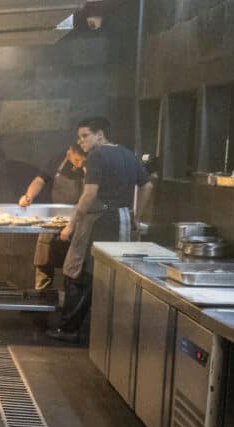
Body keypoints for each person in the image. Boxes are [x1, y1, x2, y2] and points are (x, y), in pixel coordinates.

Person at [47, 117, 153, 342]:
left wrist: (71, 224)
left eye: (85, 136)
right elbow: (147, 185)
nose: (82, 141)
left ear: (100, 135)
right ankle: (106, 331)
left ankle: (69, 329)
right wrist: (136, 215)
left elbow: (89, 195)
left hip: (99, 221)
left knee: (79, 273)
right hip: (122, 220)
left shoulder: (97, 155)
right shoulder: (127, 154)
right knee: (110, 275)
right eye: (79, 137)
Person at [16, 143, 86, 290]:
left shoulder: (90, 165)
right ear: (70, 152)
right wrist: (28, 196)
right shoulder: (57, 160)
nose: (79, 165)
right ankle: (41, 297)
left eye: (83, 161)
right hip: (53, 219)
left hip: (78, 219)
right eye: (77, 160)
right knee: (44, 261)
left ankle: (69, 302)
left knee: (74, 267)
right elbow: (39, 180)